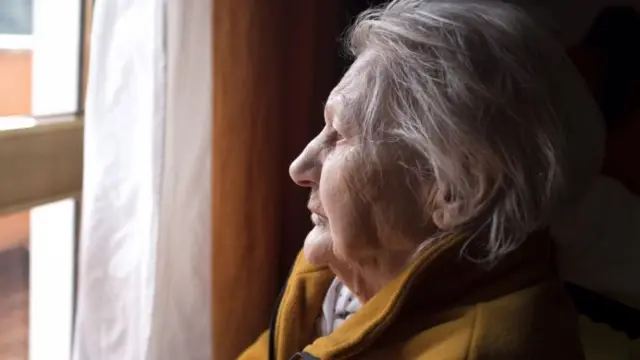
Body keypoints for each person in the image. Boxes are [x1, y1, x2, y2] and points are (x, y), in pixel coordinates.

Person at [240, 0, 605, 359]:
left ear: (456, 189)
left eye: (339, 133)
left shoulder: (485, 348)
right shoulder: (337, 277)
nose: (299, 167)